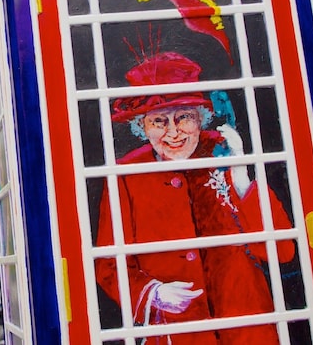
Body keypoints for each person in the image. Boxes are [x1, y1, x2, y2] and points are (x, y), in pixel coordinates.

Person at [96, 52, 297, 344]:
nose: (173, 133)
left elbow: (283, 251)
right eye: (159, 121)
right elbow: (108, 265)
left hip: (249, 328)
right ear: (142, 126)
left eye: (184, 118)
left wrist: (241, 176)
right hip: (179, 333)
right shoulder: (125, 174)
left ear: (201, 119)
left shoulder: (223, 153)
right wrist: (153, 293)